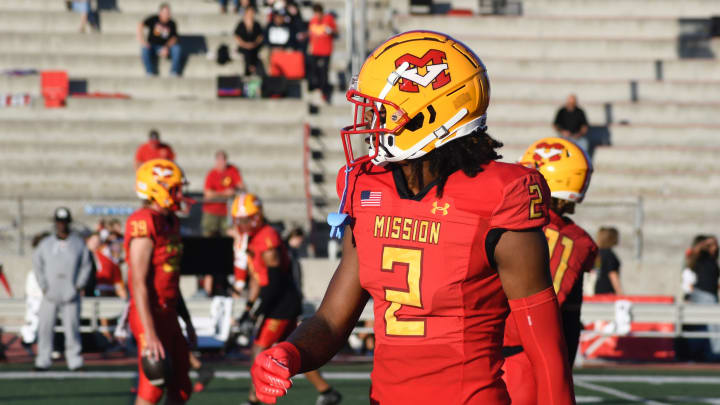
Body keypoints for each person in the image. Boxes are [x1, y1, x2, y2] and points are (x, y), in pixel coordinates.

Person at [251, 31, 575, 404]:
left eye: (381, 111)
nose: (370, 123)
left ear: (429, 115)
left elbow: (546, 348)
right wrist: (290, 352)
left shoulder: (497, 195)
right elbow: (331, 320)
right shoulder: (368, 190)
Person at [503, 137, 599, 404]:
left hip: (481, 351)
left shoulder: (498, 217)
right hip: (527, 361)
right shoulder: (576, 240)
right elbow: (567, 319)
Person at [230, 194, 341, 405]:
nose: (241, 225)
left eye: (245, 219)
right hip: (277, 300)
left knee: (259, 349)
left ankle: (254, 398)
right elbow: (258, 280)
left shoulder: (267, 235)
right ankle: (327, 391)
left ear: (256, 217)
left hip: (281, 302)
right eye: (239, 220)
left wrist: (256, 311)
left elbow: (275, 281)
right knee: (294, 350)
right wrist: (248, 307)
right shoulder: (254, 238)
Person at [126, 159, 197, 405]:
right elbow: (138, 283)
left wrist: (186, 319)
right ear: (158, 189)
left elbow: (171, 279)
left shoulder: (171, 221)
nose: (180, 194)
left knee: (182, 386)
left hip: (168, 312)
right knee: (154, 385)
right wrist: (150, 332)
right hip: (149, 314)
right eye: (175, 189)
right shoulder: (144, 221)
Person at [33, 207, 93, 371]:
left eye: (64, 222)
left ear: (69, 223)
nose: (61, 225)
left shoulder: (78, 244)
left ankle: (75, 361)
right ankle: (43, 360)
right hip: (50, 293)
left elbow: (86, 266)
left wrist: (79, 285)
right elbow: (38, 266)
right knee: (45, 328)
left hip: (70, 293)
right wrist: (44, 286)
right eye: (59, 222)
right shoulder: (46, 244)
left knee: (72, 329)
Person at [684, 235, 720, 359]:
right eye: (711, 245)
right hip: (702, 295)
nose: (714, 247)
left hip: (711, 296)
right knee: (707, 325)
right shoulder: (700, 257)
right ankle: (712, 353)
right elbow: (691, 252)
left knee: (714, 325)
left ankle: (714, 352)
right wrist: (705, 243)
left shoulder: (713, 259)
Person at [202, 150, 245, 237]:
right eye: (219, 160)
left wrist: (234, 190)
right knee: (209, 235)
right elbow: (208, 194)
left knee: (228, 234)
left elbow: (242, 187)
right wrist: (224, 193)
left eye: (223, 160)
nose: (222, 163)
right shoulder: (212, 174)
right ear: (216, 161)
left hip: (228, 211)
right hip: (212, 211)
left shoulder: (232, 170)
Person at [138, 3, 182, 77]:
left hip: (165, 47)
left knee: (177, 48)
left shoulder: (172, 23)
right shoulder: (154, 19)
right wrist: (142, 40)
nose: (167, 14)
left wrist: (166, 47)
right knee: (144, 48)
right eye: (165, 12)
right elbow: (140, 24)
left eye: (168, 12)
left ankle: (174, 72)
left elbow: (174, 38)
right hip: (152, 46)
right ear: (160, 13)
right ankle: (149, 72)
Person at [307, 3, 337, 102]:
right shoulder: (313, 20)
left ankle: (325, 91)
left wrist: (331, 31)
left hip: (325, 50)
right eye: (316, 14)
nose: (317, 16)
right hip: (315, 50)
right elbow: (311, 34)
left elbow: (336, 32)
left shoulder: (328, 19)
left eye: (318, 13)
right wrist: (310, 46)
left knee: (324, 71)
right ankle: (316, 88)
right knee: (314, 70)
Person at [234, 6, 264, 76]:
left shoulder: (256, 24)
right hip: (244, 46)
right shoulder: (241, 24)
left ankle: (249, 69)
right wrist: (245, 44)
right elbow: (237, 36)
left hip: (254, 46)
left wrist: (254, 44)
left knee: (252, 51)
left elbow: (260, 36)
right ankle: (251, 68)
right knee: (247, 52)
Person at [594, 227, 623, 295]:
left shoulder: (597, 254)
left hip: (596, 291)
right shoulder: (609, 255)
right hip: (608, 292)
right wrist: (620, 293)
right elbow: (612, 274)